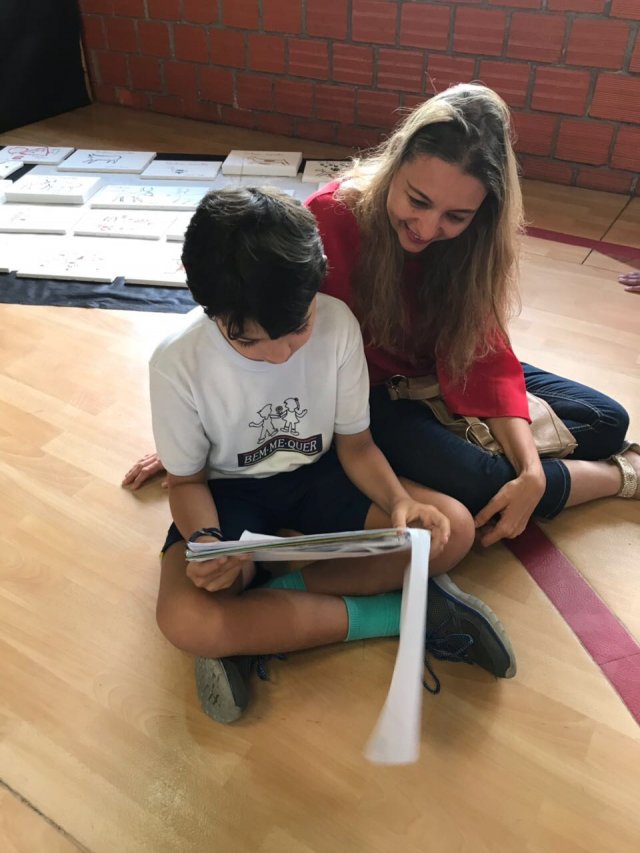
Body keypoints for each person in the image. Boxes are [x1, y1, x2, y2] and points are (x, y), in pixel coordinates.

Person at [126, 82, 639, 543]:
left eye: (456, 216)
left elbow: (483, 352)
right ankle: (619, 476)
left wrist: (530, 470)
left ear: (482, 213)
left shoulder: (476, 246)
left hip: (443, 371)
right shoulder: (330, 217)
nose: (427, 228)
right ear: (395, 165)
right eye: (417, 200)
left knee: (606, 421)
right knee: (482, 484)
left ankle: (534, 473)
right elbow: (256, 316)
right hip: (374, 398)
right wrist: (198, 443)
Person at [148, 186, 516, 724]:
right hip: (229, 497)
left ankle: (257, 620)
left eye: (299, 328)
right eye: (249, 342)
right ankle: (400, 615)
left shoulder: (338, 323)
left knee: (449, 529)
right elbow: (187, 483)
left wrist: (398, 500)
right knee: (186, 620)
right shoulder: (177, 362)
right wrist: (207, 543)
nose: (280, 355)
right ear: (212, 311)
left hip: (320, 476)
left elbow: (356, 445)